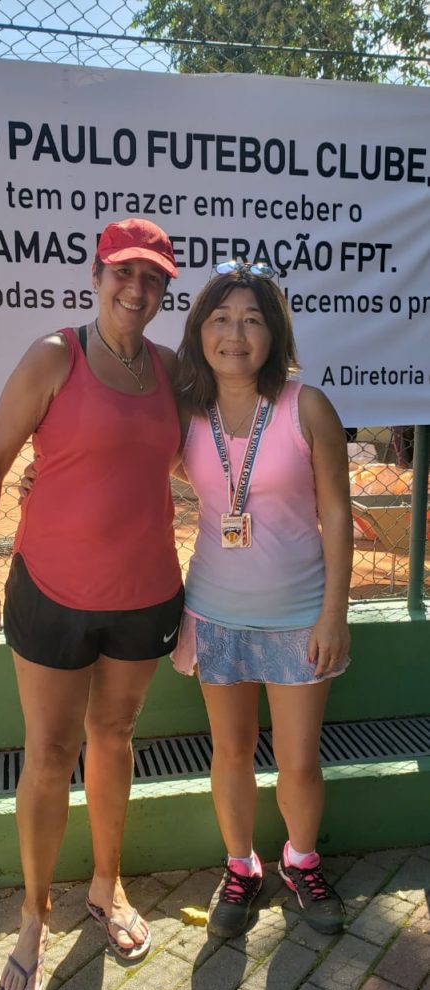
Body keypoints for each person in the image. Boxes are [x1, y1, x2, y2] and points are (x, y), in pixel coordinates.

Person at [0, 218, 184, 990]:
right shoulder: (55, 356)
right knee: (50, 753)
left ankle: (106, 885)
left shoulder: (172, 370)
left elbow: (202, 460)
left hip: (146, 594)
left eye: (153, 278)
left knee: (114, 736)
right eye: (124, 272)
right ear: (96, 275)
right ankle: (33, 916)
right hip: (50, 591)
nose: (137, 289)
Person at [171, 261, 353, 939]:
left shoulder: (307, 407)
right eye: (220, 319)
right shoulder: (186, 413)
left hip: (300, 617)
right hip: (214, 614)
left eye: (252, 319)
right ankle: (240, 867)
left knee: (299, 760)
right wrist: (47, 476)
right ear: (200, 332)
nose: (235, 333)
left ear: (274, 333)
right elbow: (125, 462)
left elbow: (337, 513)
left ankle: (301, 861)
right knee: (231, 750)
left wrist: (333, 614)